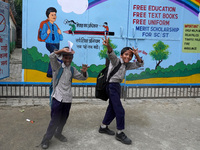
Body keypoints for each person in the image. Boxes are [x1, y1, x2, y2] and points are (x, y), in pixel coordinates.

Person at [98, 36, 144, 145]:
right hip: (111, 86)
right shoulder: (116, 61)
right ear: (122, 55)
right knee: (120, 110)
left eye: (130, 55)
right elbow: (111, 53)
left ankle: (103, 127)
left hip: (117, 86)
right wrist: (108, 45)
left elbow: (140, 64)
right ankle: (120, 132)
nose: (128, 57)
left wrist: (136, 54)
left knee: (112, 108)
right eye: (126, 54)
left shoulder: (127, 65)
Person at [41, 47, 89, 149]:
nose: (68, 60)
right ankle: (46, 139)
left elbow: (83, 77)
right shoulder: (57, 67)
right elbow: (52, 56)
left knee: (63, 119)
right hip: (57, 98)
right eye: (65, 57)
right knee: (55, 119)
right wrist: (61, 50)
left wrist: (84, 72)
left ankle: (58, 133)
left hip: (67, 99)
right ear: (62, 57)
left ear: (72, 58)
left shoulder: (72, 69)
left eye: (70, 58)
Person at [41, 7, 63, 78]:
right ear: (48, 16)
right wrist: (47, 33)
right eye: (52, 15)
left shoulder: (56, 26)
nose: (54, 16)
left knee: (53, 57)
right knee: (58, 55)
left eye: (55, 15)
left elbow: (61, 38)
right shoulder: (45, 25)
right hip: (50, 44)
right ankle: (62, 70)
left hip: (57, 43)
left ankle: (50, 73)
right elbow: (42, 37)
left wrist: (60, 34)